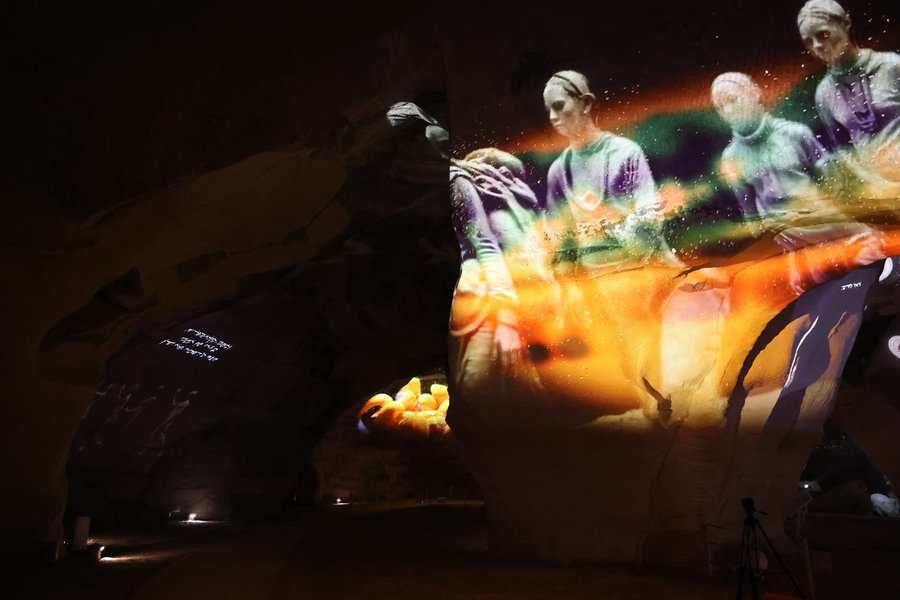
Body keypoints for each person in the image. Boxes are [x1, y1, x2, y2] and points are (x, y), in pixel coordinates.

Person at [543, 70, 677, 271]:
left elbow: (651, 213)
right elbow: (557, 236)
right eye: (549, 110)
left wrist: (616, 222)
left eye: (559, 106)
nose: (553, 117)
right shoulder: (558, 170)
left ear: (586, 103)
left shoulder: (626, 152)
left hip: (636, 268)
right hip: (594, 276)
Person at [798, 0, 900, 185]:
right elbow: (844, 151)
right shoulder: (824, 93)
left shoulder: (892, 66)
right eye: (809, 42)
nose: (817, 45)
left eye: (823, 34)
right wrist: (878, 185)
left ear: (846, 23)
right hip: (881, 189)